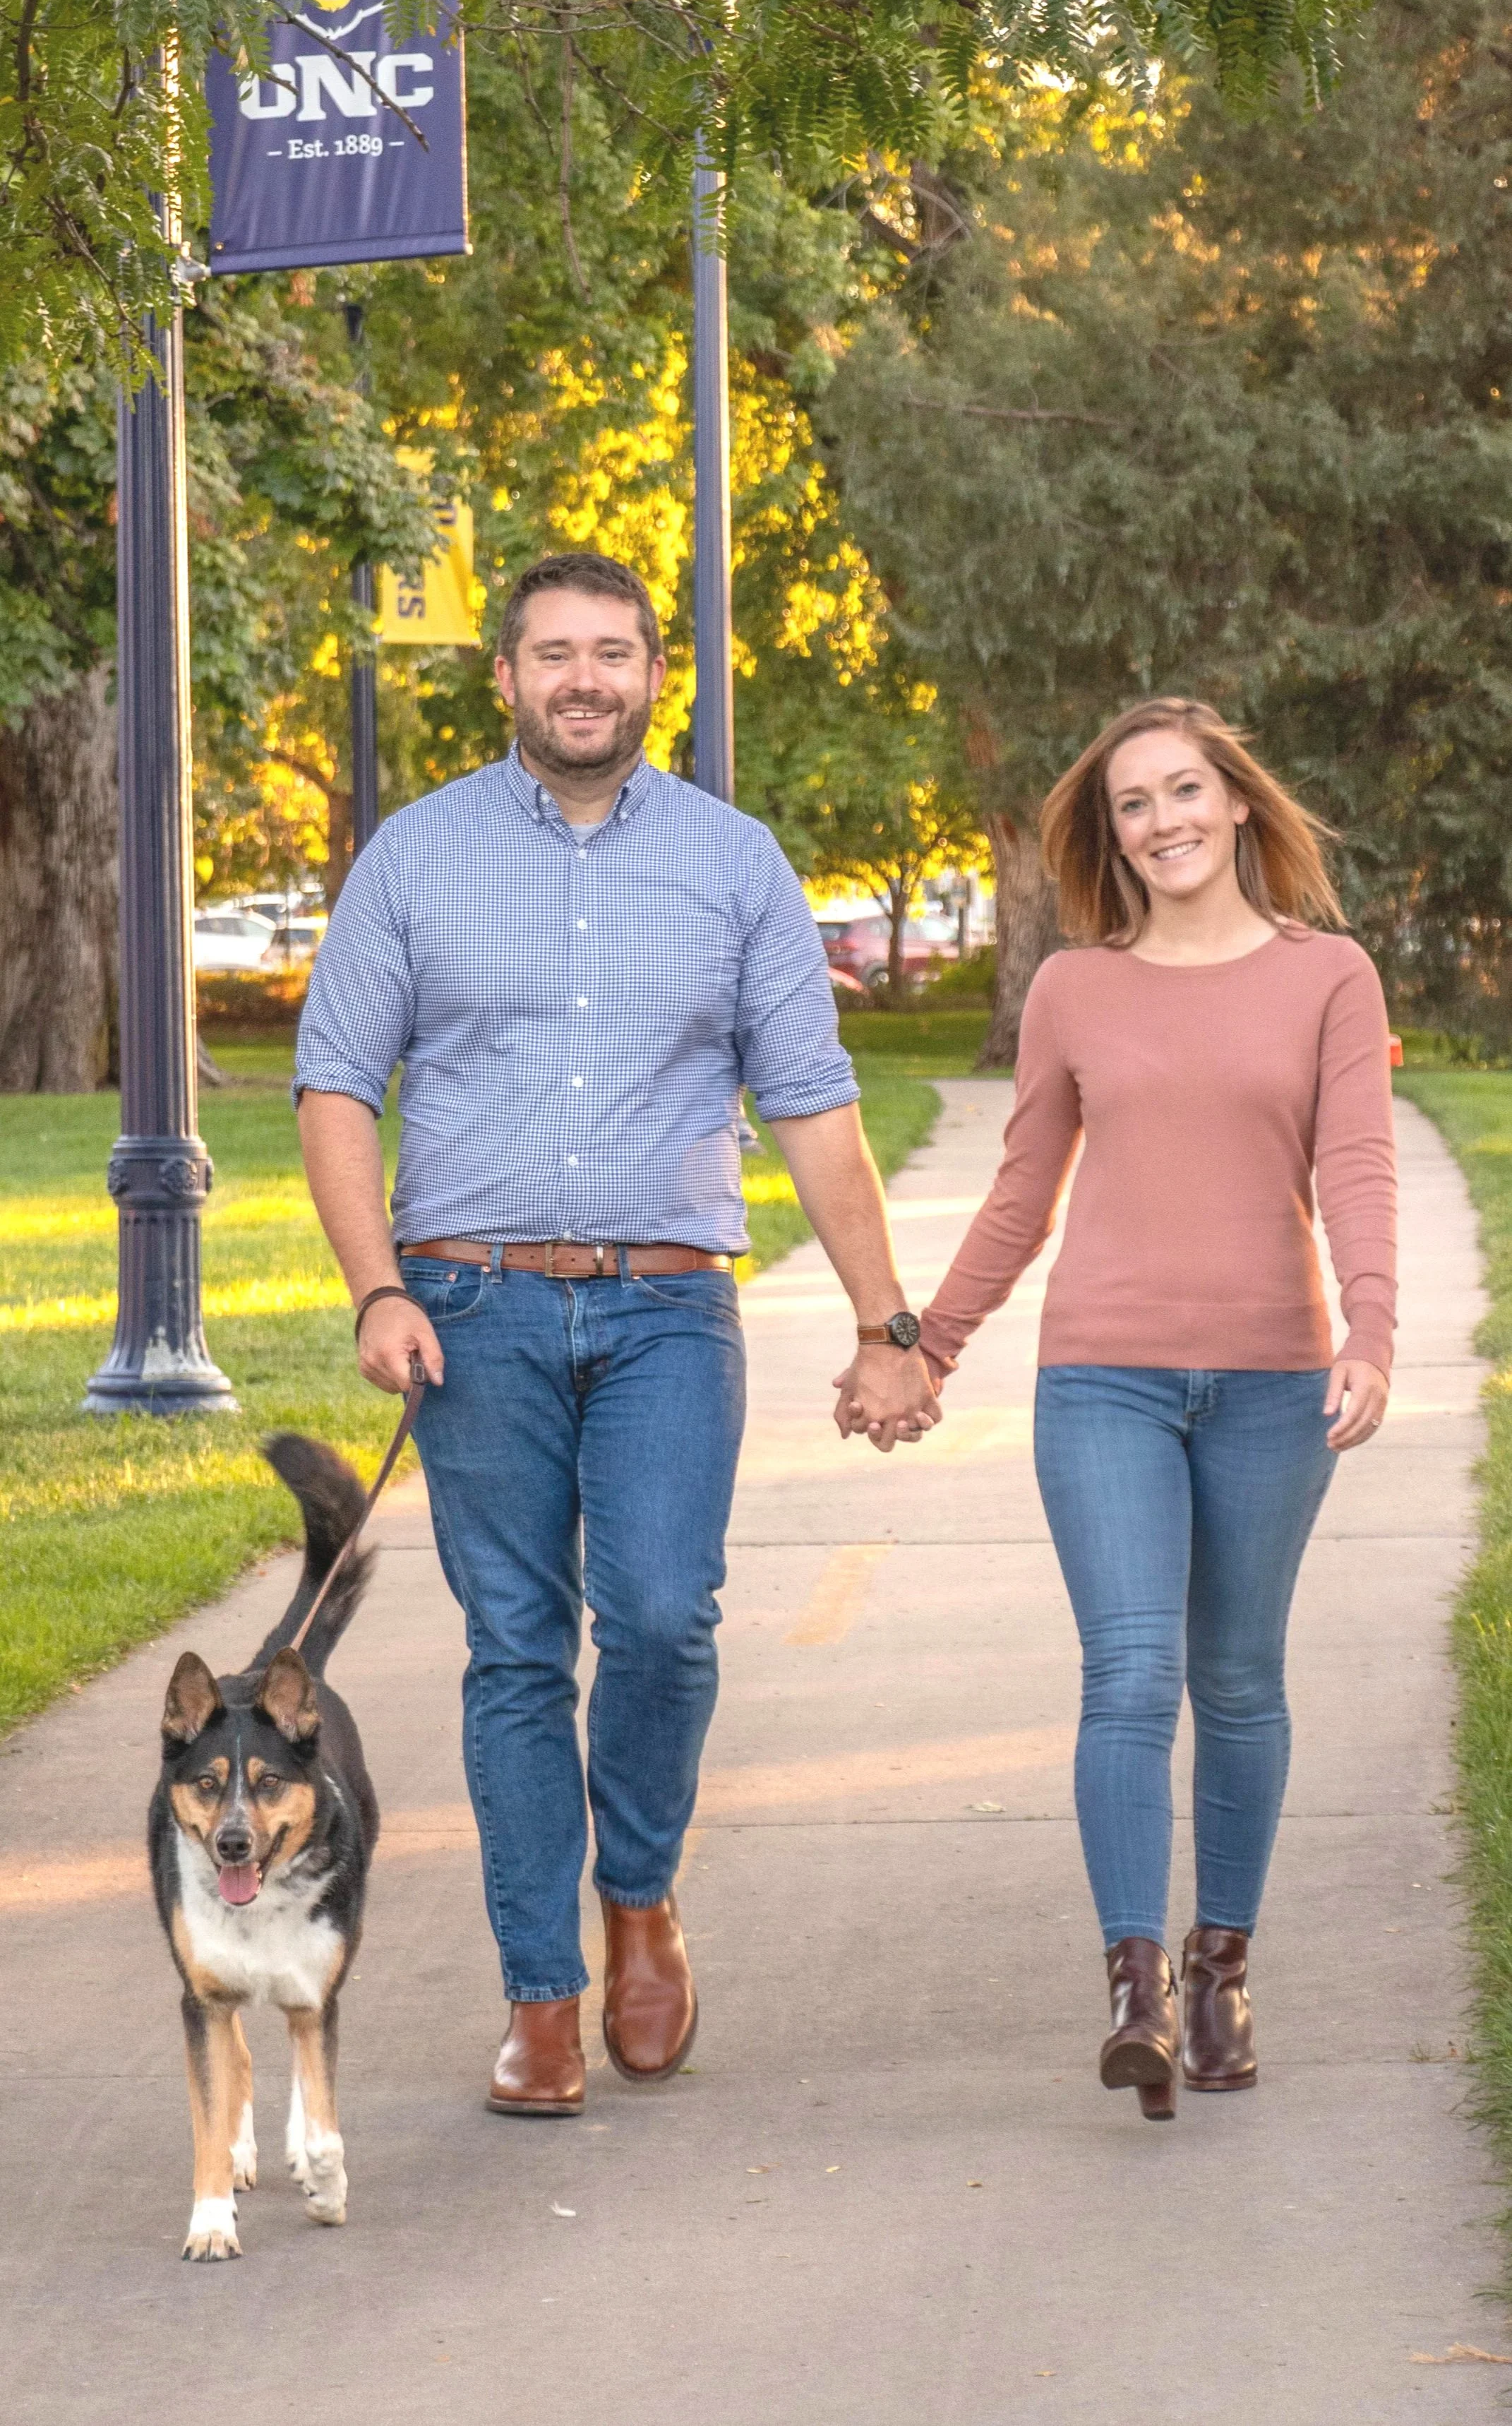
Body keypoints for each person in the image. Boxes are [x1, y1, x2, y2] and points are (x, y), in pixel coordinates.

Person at [294, 549, 939, 2118]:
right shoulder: (414, 860)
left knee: (661, 1620)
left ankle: (638, 1896)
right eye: (555, 653)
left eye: (616, 651)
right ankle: (543, 1999)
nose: (585, 677)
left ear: (659, 677)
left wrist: (886, 1323)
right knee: (515, 1651)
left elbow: (815, 1108)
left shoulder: (735, 865)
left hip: (665, 1306)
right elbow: (333, 1087)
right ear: (505, 677)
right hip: (470, 1308)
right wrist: (377, 1288)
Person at [918, 697, 1396, 2121]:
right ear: (1109, 832)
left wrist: (1370, 1330)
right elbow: (1024, 1191)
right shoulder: (1075, 988)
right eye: (1134, 803)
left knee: (1240, 1683)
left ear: (1239, 804)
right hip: (1105, 1378)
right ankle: (1133, 1985)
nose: (1163, 821)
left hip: (1271, 1379)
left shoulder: (1331, 978)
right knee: (1128, 1672)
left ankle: (1218, 1967)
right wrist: (930, 1342)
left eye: (1186, 791)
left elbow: (1359, 1168)